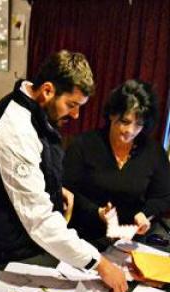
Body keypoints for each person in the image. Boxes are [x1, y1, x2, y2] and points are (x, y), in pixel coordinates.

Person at [0, 50, 128, 292]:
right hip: (6, 255)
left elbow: (33, 167)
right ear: (47, 90)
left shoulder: (36, 111)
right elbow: (39, 220)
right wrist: (101, 264)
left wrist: (54, 188)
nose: (76, 115)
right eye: (72, 105)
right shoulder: (16, 130)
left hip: (30, 244)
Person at [63, 79, 170, 242]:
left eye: (139, 124)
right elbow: (67, 190)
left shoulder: (153, 152)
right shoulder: (83, 145)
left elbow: (163, 196)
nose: (130, 131)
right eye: (125, 122)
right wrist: (97, 211)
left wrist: (145, 213)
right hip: (84, 235)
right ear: (112, 114)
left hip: (130, 239)